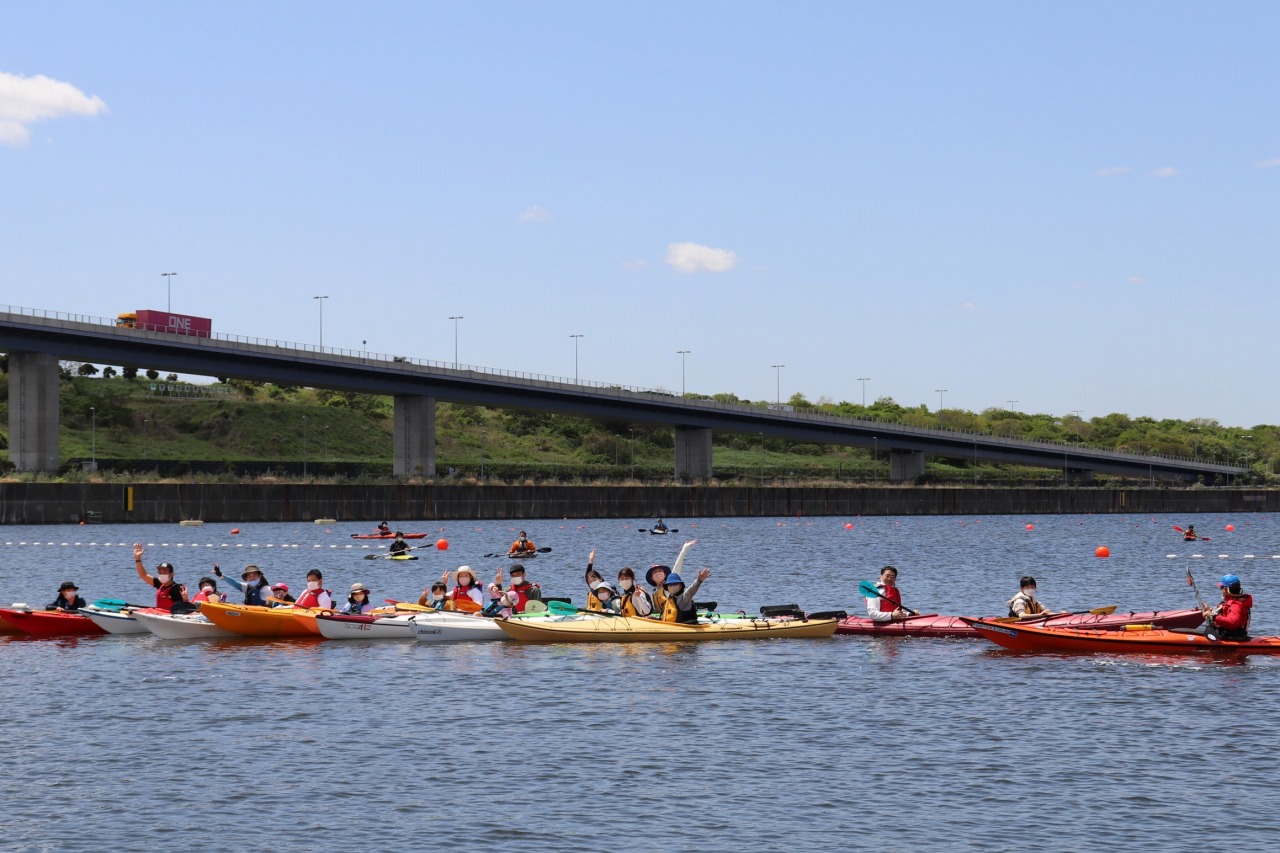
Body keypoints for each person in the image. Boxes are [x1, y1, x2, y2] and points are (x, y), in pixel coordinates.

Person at [647, 539, 697, 614]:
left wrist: (684, 549)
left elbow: (676, 568)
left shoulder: (670, 586)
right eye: (655, 572)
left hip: (677, 615)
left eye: (660, 571)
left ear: (665, 574)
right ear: (652, 578)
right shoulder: (654, 592)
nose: (658, 573)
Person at [133, 543, 187, 613]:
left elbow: (184, 609)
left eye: (164, 572)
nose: (161, 574)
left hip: (169, 616)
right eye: (160, 572)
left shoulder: (176, 589)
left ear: (171, 574)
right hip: (160, 614)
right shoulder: (160, 584)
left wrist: (185, 599)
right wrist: (137, 559)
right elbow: (143, 575)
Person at [1203, 574, 1253, 640]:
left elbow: (1232, 623)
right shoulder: (1231, 602)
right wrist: (1209, 610)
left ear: (1226, 590)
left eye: (1221, 588)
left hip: (1231, 637)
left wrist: (1213, 616)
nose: (1221, 590)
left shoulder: (1236, 605)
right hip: (1227, 634)